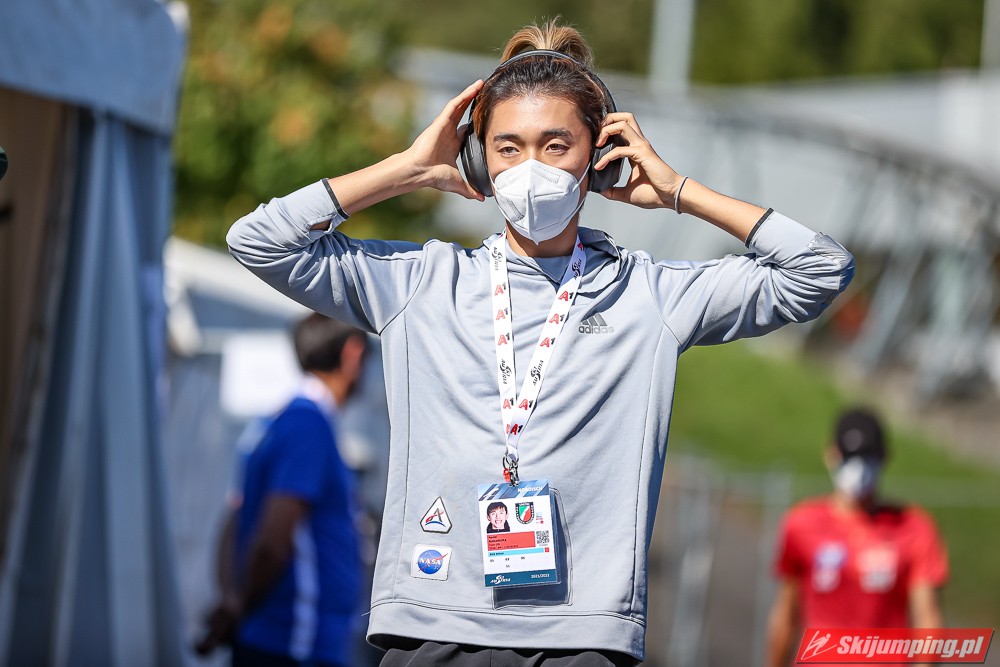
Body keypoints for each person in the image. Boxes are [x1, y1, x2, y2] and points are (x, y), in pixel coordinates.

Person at [226, 19, 854, 666]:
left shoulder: (649, 294)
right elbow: (259, 241)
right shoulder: (421, 282)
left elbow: (821, 269)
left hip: (580, 641)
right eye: (508, 148)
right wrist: (408, 169)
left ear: (600, 158)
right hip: (430, 627)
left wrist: (679, 193)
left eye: (556, 146)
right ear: (480, 160)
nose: (531, 168)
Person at [197, 314, 369, 667]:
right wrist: (239, 605)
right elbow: (273, 541)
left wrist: (232, 601)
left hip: (278, 641)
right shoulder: (308, 425)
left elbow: (234, 521)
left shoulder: (278, 420)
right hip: (294, 646)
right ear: (352, 354)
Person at [765, 408, 948, 667]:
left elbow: (928, 621)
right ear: (831, 454)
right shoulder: (801, 524)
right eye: (850, 456)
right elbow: (786, 615)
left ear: (884, 457)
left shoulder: (914, 528)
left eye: (866, 456)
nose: (858, 467)